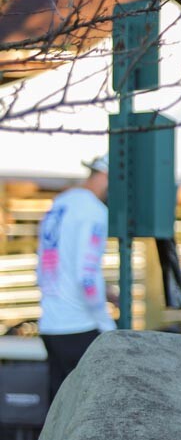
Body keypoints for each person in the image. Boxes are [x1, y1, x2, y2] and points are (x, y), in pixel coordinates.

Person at [36, 155, 116, 401]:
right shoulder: (93, 211)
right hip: (78, 325)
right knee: (87, 408)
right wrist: (105, 323)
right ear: (106, 177)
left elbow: (50, 265)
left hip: (51, 322)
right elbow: (86, 276)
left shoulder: (60, 203)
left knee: (57, 409)